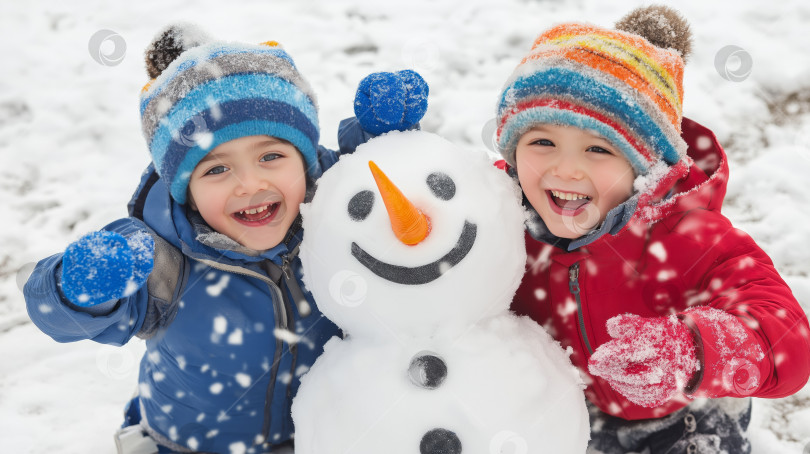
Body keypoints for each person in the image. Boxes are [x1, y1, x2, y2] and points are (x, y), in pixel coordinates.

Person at [22, 23, 427, 454]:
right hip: (193, 445)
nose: (249, 184)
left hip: (326, 437)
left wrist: (382, 141)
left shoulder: (336, 213)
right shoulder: (160, 257)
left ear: (305, 164)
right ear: (185, 189)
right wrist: (76, 289)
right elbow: (54, 314)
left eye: (271, 156)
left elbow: (392, 196)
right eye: (216, 169)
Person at [493, 6, 810, 453]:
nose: (565, 168)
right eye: (542, 142)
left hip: (680, 419)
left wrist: (695, 351)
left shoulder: (689, 236)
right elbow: (410, 235)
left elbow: (787, 341)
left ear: (644, 165)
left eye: (599, 149)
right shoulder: (494, 214)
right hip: (562, 412)